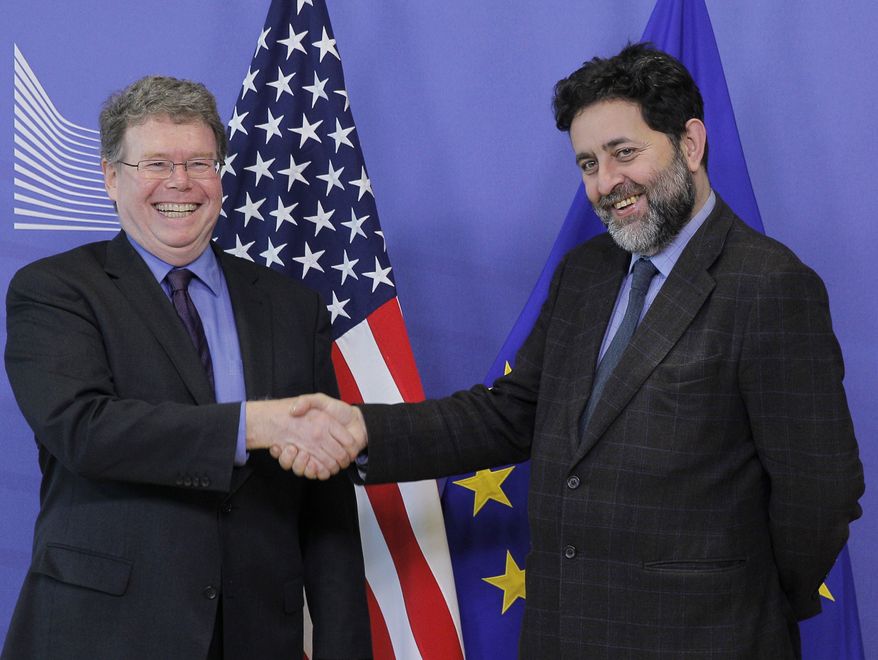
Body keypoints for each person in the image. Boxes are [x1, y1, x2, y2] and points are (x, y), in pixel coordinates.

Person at [280, 44, 864, 659]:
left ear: (690, 145)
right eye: (588, 163)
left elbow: (819, 492)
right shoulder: (584, 274)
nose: (606, 182)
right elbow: (509, 414)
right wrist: (359, 429)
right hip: (563, 636)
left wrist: (752, 601)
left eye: (624, 152)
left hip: (708, 640)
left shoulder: (769, 285)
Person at [2, 76, 369, 660]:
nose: (180, 182)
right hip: (104, 633)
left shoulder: (290, 304)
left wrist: (344, 645)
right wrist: (257, 425)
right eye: (154, 163)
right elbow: (85, 430)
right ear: (110, 177)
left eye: (199, 162)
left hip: (258, 636)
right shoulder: (54, 290)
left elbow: (325, 495)